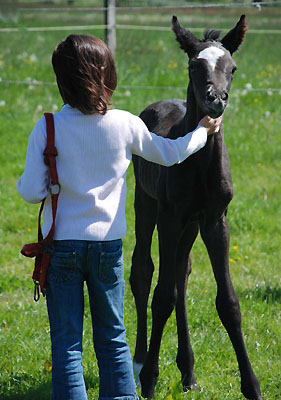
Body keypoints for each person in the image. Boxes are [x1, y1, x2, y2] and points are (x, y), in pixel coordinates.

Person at [17, 34, 221, 400]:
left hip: (60, 249)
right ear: (107, 75)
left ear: (61, 81)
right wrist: (202, 132)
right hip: (107, 248)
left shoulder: (46, 128)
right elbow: (171, 153)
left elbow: (31, 191)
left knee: (67, 347)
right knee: (113, 340)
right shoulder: (125, 124)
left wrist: (50, 184)